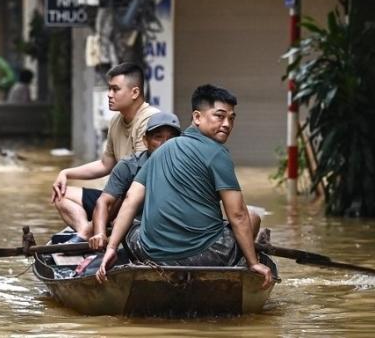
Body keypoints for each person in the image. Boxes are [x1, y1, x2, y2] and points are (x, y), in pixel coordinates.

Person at [95, 84, 273, 288]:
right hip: (206, 256)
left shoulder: (159, 151)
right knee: (252, 216)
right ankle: (239, 267)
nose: (227, 124)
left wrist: (111, 247)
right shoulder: (218, 153)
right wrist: (253, 263)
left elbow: (130, 200)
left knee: (133, 226)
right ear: (197, 117)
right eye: (219, 116)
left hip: (150, 255)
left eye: (231, 118)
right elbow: (238, 215)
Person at [51, 62, 159, 240]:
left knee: (113, 204)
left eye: (115, 89)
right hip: (116, 196)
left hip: (140, 201)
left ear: (135, 92)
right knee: (61, 194)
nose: (109, 95)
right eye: (109, 89)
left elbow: (137, 183)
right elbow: (105, 164)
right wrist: (66, 173)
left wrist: (100, 218)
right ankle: (85, 231)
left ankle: (90, 231)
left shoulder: (150, 121)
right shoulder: (116, 121)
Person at [87, 111, 182, 251]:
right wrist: (100, 233)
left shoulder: (187, 166)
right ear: (145, 141)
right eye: (158, 137)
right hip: (137, 228)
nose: (165, 144)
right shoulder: (128, 166)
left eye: (171, 138)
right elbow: (104, 202)